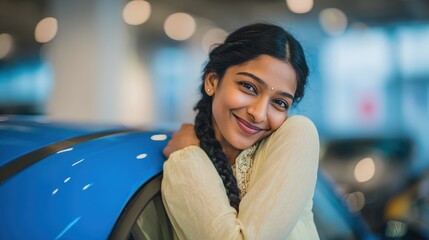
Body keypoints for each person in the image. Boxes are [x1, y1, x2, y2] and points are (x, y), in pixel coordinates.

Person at [161, 22, 320, 239]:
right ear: (212, 81)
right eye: (249, 87)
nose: (259, 114)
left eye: (280, 103)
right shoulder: (179, 164)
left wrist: (188, 154)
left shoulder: (298, 133)